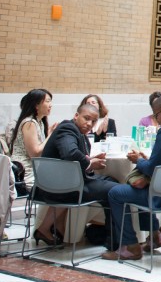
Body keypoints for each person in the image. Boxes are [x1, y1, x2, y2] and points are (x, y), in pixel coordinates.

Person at [103, 95, 161, 261]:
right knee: (140, 186)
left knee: (115, 193)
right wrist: (146, 161)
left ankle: (130, 246)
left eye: (157, 115)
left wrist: (138, 160)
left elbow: (151, 168)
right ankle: (155, 236)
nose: (156, 119)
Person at [34, 103, 116, 247]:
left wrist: (90, 160)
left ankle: (106, 233)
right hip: (61, 186)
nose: (89, 124)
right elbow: (70, 153)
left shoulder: (79, 132)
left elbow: (71, 157)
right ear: (76, 116)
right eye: (86, 118)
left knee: (111, 180)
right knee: (115, 191)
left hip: (63, 182)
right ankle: (113, 240)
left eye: (93, 121)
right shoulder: (67, 128)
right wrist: (89, 163)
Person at [10, 89, 53, 189]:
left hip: (36, 169)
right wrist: (50, 136)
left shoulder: (39, 122)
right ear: (36, 105)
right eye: (47, 101)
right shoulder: (29, 123)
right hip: (25, 173)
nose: (50, 105)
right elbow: (34, 153)